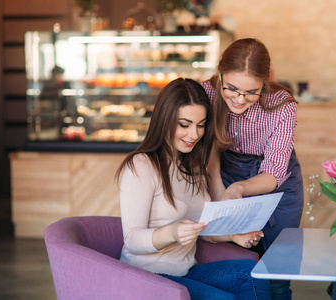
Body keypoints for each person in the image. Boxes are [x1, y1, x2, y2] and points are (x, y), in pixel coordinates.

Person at [116, 78, 271, 300]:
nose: (194, 135)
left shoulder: (193, 164)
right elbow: (132, 239)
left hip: (186, 273)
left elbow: (201, 229)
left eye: (200, 125)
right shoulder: (141, 165)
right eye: (184, 124)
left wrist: (232, 235)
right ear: (164, 120)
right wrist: (171, 232)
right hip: (147, 276)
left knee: (253, 273)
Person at [201, 38, 304, 300]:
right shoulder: (207, 93)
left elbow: (274, 172)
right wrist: (218, 187)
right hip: (225, 170)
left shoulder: (282, 105)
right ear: (220, 74)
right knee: (242, 263)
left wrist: (240, 188)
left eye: (251, 92)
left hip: (277, 185)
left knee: (278, 270)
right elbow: (209, 145)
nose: (239, 99)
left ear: (265, 82)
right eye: (232, 88)